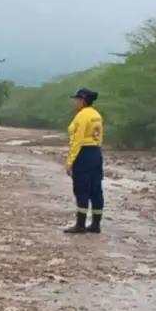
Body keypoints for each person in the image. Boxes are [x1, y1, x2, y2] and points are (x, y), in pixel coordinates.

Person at [64, 88, 104, 234]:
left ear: (82, 100)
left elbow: (77, 140)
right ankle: (96, 224)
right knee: (95, 189)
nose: (74, 102)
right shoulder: (97, 115)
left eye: (76, 100)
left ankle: (80, 225)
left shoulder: (82, 116)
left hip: (84, 154)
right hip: (96, 152)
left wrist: (70, 161)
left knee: (81, 189)